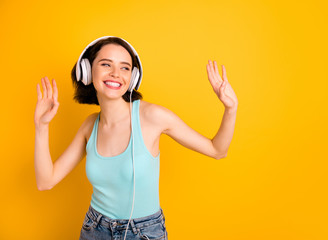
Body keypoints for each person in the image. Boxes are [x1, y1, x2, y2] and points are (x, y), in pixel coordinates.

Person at [34, 36, 238, 240]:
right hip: (95, 229)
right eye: (106, 64)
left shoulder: (153, 117)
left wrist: (230, 109)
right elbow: (46, 181)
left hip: (144, 232)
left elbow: (217, 150)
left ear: (133, 77)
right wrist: (42, 126)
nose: (116, 74)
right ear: (87, 71)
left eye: (125, 68)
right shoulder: (90, 125)